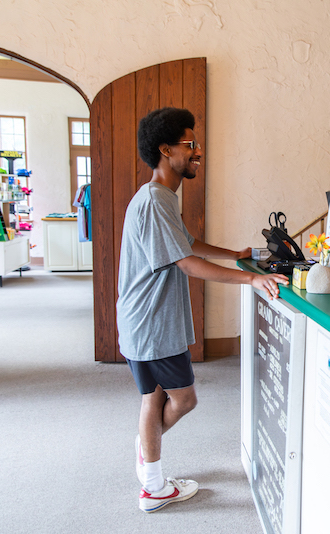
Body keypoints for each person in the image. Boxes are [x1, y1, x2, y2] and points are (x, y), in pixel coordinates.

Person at [116, 107, 288, 513]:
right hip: (152, 324)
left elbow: (188, 243)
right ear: (165, 150)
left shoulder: (159, 198)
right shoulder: (157, 201)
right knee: (182, 400)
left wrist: (235, 255)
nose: (198, 152)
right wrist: (250, 279)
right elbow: (186, 262)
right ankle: (152, 479)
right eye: (190, 145)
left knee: (153, 399)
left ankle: (149, 453)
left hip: (144, 321)